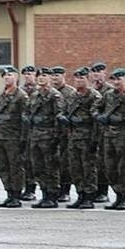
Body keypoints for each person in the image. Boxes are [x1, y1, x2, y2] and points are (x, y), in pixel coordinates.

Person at [26, 67, 66, 209]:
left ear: (50, 78)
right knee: (38, 167)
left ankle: (52, 195)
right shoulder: (35, 95)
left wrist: (56, 138)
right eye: (39, 76)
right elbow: (28, 113)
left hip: (49, 137)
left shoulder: (54, 95)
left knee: (51, 167)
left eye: (44, 75)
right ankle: (44, 193)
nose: (41, 78)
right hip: (36, 136)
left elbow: (59, 117)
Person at [0, 66, 28, 208]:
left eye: (10, 75)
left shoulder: (21, 96)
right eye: (4, 75)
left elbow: (25, 119)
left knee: (15, 167)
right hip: (0, 136)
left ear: (16, 77)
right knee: (3, 166)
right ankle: (9, 193)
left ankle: (16, 195)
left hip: (14, 137)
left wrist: (23, 139)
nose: (7, 77)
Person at [65, 66, 101, 209]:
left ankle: (89, 196)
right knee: (75, 168)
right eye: (77, 78)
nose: (79, 80)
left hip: (87, 138)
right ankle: (80, 194)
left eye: (82, 78)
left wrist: (95, 140)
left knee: (88, 168)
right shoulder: (73, 96)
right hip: (74, 138)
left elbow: (96, 119)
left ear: (88, 79)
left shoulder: (94, 96)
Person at [98, 68, 125, 210]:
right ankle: (118, 195)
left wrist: (120, 118)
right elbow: (95, 107)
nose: (116, 82)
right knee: (110, 167)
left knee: (124, 168)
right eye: (113, 79)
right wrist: (99, 116)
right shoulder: (109, 95)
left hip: (124, 135)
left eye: (119, 79)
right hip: (109, 136)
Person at [90, 62, 115, 203]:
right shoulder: (90, 90)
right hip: (90, 132)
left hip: (106, 132)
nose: (96, 74)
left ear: (105, 73)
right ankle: (94, 190)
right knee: (92, 162)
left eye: (99, 71)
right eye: (94, 71)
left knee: (103, 163)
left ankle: (103, 191)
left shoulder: (109, 91)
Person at [51, 66, 76, 202]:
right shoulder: (49, 92)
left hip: (65, 133)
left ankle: (65, 190)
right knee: (51, 163)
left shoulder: (70, 92)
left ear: (64, 76)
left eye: (58, 75)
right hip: (50, 133)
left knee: (65, 163)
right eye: (53, 75)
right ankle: (53, 189)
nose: (55, 78)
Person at [20, 65, 39, 200]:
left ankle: (33, 188)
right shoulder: (19, 92)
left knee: (35, 162)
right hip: (21, 132)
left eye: (30, 74)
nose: (27, 76)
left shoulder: (40, 92)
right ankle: (27, 187)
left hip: (38, 132)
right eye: (25, 74)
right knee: (24, 161)